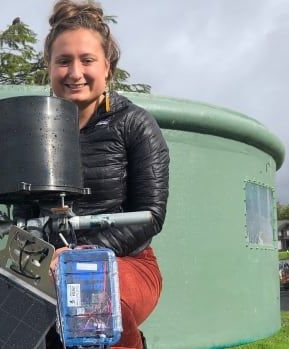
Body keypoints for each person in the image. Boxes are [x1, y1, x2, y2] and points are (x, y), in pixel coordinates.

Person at [42, 1, 170, 348]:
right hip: (50, 265)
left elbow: (151, 215)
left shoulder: (135, 125)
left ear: (107, 67)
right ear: (49, 67)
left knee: (89, 287)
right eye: (63, 61)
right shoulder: (35, 130)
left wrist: (80, 255)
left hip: (128, 263)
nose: (75, 72)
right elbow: (22, 211)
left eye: (87, 60)